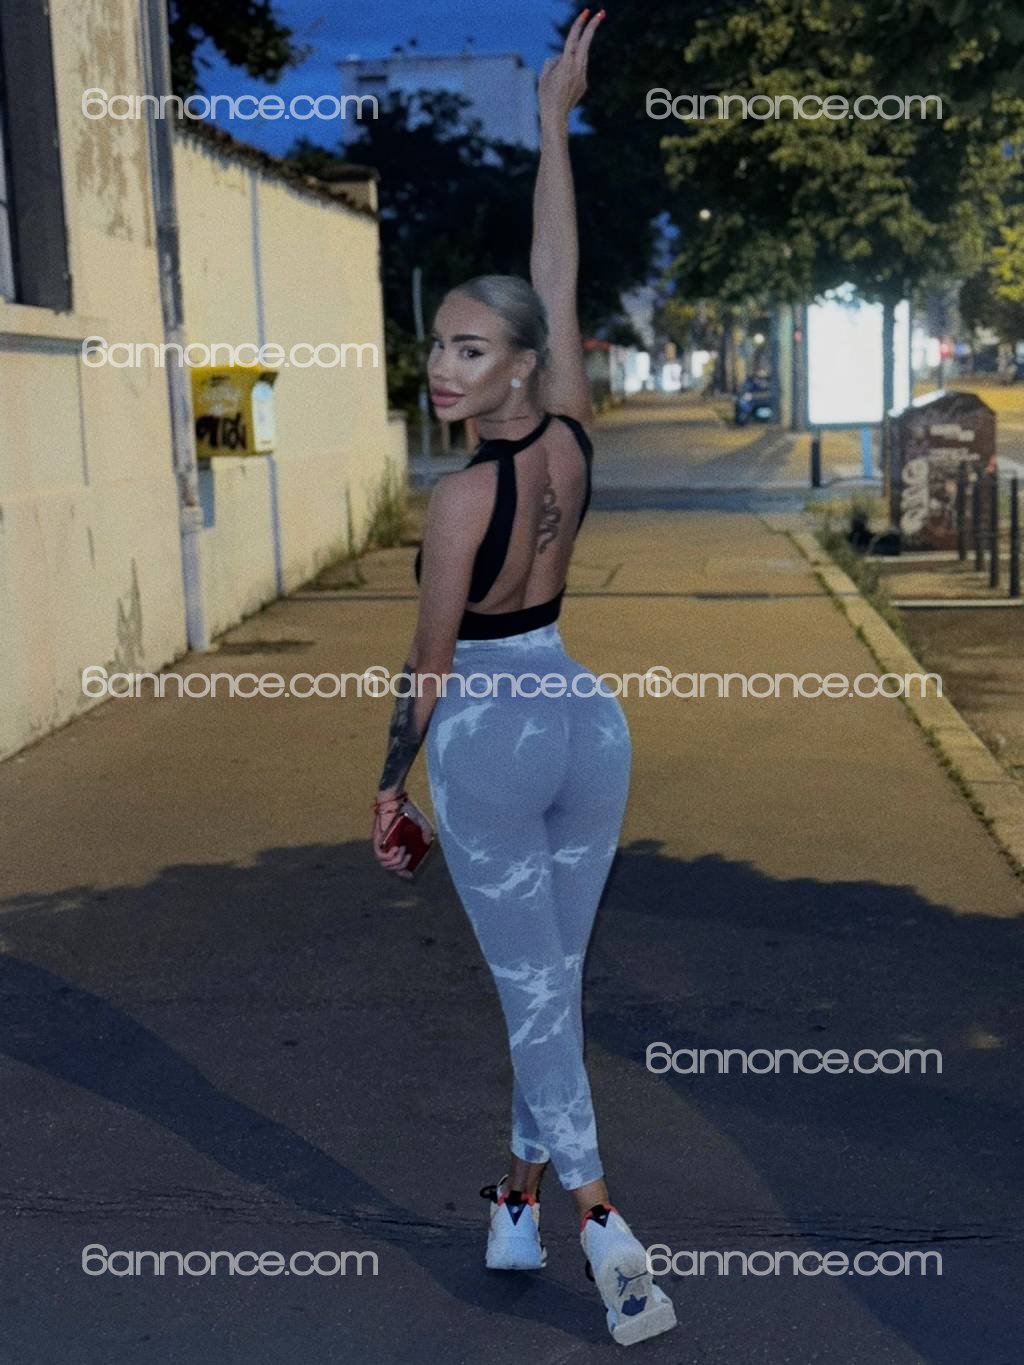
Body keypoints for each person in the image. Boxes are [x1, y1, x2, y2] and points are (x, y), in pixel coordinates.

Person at [371, 10, 676, 1347]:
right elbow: (558, 271)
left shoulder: (457, 500)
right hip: (584, 719)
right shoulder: (575, 438)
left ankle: (601, 1218)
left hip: (491, 734)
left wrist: (388, 786)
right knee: (547, 978)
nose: (443, 367)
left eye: (469, 350)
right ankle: (515, 1198)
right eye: (439, 345)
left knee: (534, 986)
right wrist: (555, 125)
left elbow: (428, 666)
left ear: (518, 366)